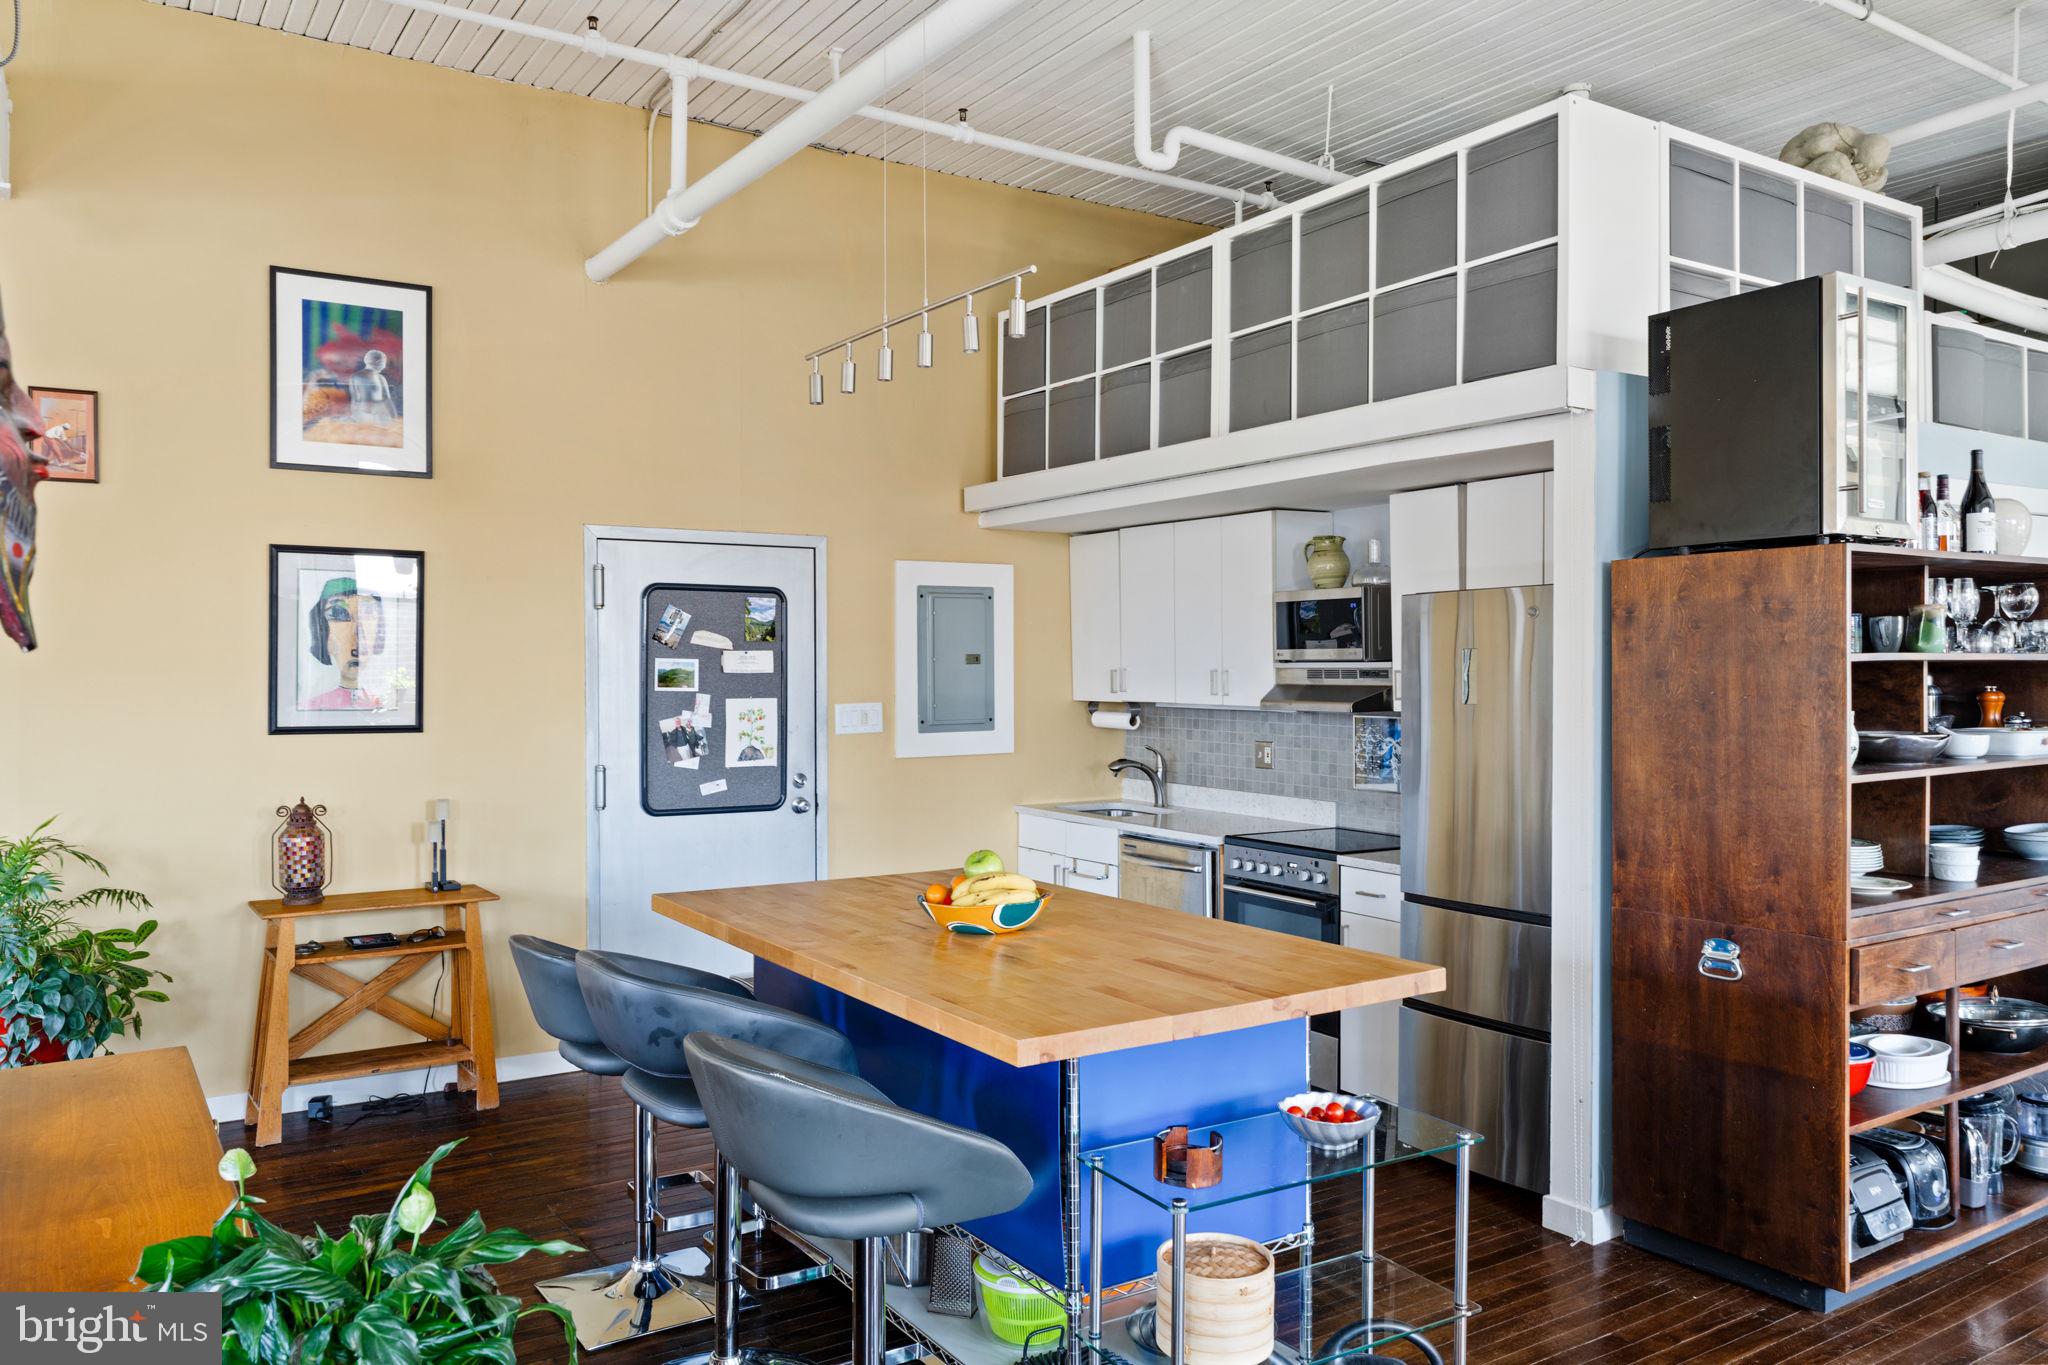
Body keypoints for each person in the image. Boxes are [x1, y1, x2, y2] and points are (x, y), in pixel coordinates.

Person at [302, 576, 385, 710]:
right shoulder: (311, 707)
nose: (358, 636)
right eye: (338, 613)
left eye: (368, 612)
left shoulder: (382, 703)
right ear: (322, 630)